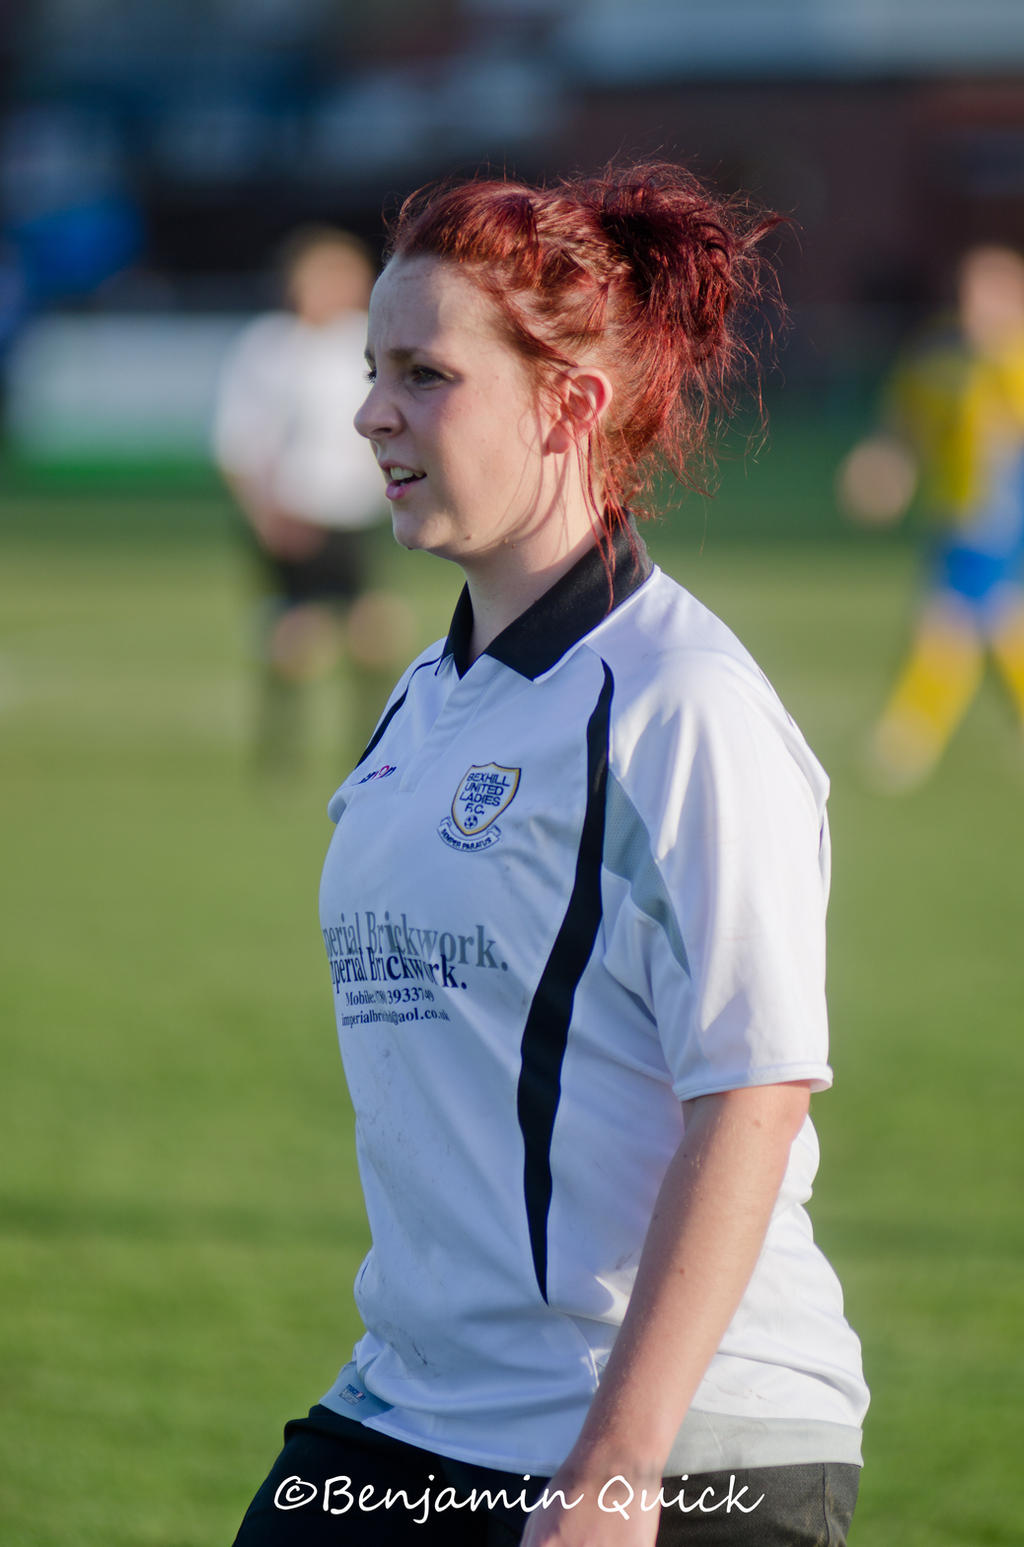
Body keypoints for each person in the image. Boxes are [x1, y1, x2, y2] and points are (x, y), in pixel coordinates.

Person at [232, 162, 869, 1546]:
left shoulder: (679, 704)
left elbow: (754, 1088)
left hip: (685, 1438)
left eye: (425, 373)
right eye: (370, 367)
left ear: (569, 404)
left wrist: (621, 1460)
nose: (370, 412)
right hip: (418, 1409)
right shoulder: (426, 695)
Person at [213, 225, 411, 773]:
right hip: (293, 513)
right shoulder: (268, 348)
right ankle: (279, 752)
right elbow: (239, 442)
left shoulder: (367, 342)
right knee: (294, 639)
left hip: (355, 512)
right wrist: (265, 512)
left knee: (372, 633)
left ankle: (370, 748)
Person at [837, 245, 1024, 790]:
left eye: (991, 296)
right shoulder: (938, 357)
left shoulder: (1014, 361)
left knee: (948, 624)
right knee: (995, 626)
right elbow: (903, 425)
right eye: (969, 295)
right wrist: (883, 467)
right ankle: (910, 735)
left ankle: (907, 738)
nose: (977, 309)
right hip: (957, 514)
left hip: (1002, 521)